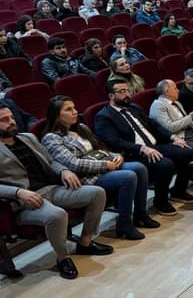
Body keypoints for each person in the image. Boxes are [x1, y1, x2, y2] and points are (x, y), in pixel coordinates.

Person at [0, 106, 111, 280]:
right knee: (57, 215)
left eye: (11, 117)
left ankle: (85, 242)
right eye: (4, 120)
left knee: (97, 193)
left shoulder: (27, 138)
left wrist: (63, 171)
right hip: (26, 200)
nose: (11, 121)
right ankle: (63, 258)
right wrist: (18, 191)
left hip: (51, 188)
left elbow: (50, 161)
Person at [41, 96, 160, 240]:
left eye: (74, 108)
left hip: (104, 165)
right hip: (86, 177)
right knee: (128, 176)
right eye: (68, 109)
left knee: (139, 168)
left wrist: (117, 156)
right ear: (56, 115)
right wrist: (104, 165)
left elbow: (100, 148)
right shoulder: (52, 138)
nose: (75, 112)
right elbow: (73, 163)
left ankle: (141, 215)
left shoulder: (82, 128)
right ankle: (124, 224)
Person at [94, 79, 193, 216]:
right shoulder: (104, 116)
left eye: (127, 90)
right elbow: (114, 142)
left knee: (188, 151)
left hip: (154, 146)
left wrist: (173, 138)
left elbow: (154, 126)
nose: (127, 94)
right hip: (133, 154)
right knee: (165, 164)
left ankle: (178, 191)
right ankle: (160, 202)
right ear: (111, 96)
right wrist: (141, 148)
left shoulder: (134, 107)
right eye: (122, 91)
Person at [149, 79, 193, 153]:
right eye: (175, 88)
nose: (178, 91)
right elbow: (169, 128)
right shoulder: (158, 106)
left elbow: (188, 120)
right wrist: (190, 117)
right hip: (180, 139)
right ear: (167, 91)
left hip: (192, 133)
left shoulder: (177, 103)